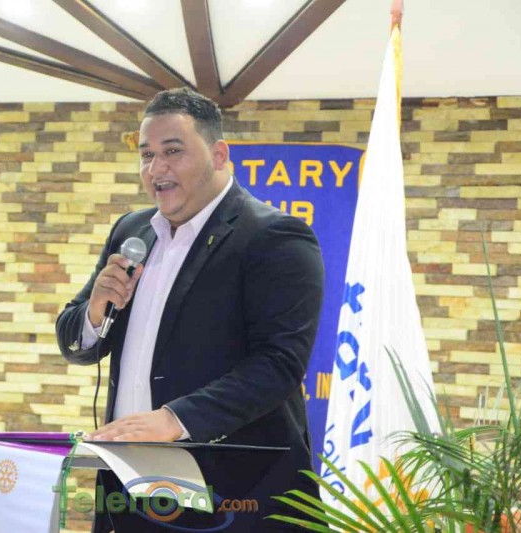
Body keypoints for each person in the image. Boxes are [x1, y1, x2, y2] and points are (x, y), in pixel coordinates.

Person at [56, 87, 324, 532]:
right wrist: (96, 310)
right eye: (146, 155)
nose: (155, 168)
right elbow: (75, 340)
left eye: (172, 151)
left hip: (234, 492)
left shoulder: (274, 237)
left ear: (219, 155)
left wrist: (175, 420)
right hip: (129, 488)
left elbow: (279, 364)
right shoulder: (132, 230)